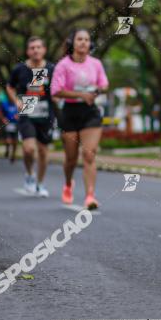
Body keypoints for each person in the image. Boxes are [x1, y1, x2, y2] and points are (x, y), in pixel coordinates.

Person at [50, 29, 108, 210]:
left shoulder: (96, 63)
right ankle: (68, 183)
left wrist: (95, 92)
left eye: (86, 39)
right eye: (79, 39)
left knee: (89, 154)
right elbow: (55, 91)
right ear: (72, 43)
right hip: (70, 112)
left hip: (90, 112)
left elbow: (104, 84)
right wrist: (81, 95)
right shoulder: (63, 65)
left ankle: (90, 196)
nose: (83, 42)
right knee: (71, 159)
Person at [6, 36, 55, 196]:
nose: (35, 50)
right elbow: (10, 87)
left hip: (45, 113)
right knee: (28, 149)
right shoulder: (19, 69)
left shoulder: (51, 69)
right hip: (26, 112)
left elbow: (58, 88)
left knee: (43, 151)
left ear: (44, 50)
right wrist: (16, 102)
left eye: (38, 47)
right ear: (28, 51)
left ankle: (40, 184)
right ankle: (29, 175)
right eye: (32, 47)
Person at [0, 92, 18, 164]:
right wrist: (3, 119)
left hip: (16, 124)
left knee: (15, 141)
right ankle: (7, 149)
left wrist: (18, 116)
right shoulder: (4, 103)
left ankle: (13, 155)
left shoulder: (17, 103)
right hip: (7, 124)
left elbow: (22, 110)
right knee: (8, 140)